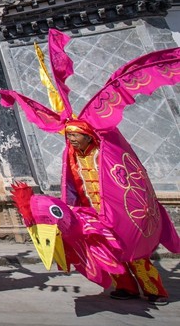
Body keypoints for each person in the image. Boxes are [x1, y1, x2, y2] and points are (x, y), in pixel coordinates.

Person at [62, 119, 169, 304]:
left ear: (88, 136)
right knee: (109, 253)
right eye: (68, 135)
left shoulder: (104, 153)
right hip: (94, 214)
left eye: (75, 135)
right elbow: (70, 184)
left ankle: (154, 290)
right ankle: (125, 287)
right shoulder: (71, 156)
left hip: (118, 212)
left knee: (134, 252)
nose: (71, 139)